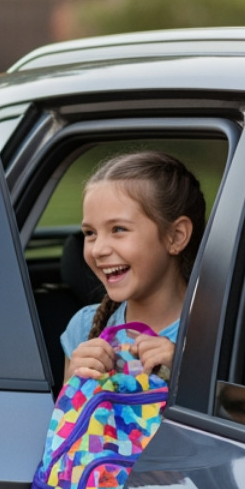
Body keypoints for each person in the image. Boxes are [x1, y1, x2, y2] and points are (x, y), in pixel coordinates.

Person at [61, 151, 207, 382]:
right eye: (90, 233)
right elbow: (65, 417)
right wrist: (74, 382)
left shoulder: (214, 335)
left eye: (118, 229)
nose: (98, 249)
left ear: (176, 236)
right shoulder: (84, 327)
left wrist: (184, 373)